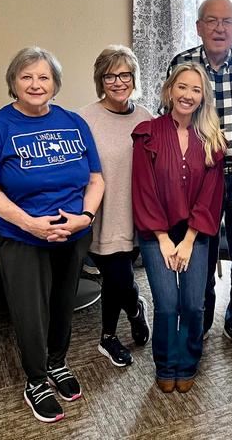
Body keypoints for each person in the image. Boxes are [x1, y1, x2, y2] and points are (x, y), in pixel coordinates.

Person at [0, 47, 105, 423]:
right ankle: (35, 380)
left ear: (55, 84)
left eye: (44, 77)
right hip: (22, 238)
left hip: (72, 234)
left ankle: (57, 363)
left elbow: (96, 179)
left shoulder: (74, 122)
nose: (35, 84)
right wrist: (29, 223)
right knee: (31, 312)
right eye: (26, 77)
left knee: (63, 303)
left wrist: (85, 217)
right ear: (13, 82)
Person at [168, 0, 232, 355]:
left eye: (227, 21)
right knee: (201, 262)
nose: (219, 28)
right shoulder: (182, 65)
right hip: (198, 183)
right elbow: (169, 124)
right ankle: (202, 321)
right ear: (199, 27)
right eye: (212, 20)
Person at [132, 63, 225, 393]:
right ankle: (166, 363)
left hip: (194, 233)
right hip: (155, 232)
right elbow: (144, 190)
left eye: (196, 90)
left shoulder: (211, 140)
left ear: (203, 97)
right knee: (168, 304)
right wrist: (162, 238)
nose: (188, 95)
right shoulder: (148, 133)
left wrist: (187, 240)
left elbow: (210, 195)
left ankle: (187, 362)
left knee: (193, 304)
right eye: (182, 87)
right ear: (170, 90)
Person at [79, 45, 151, 368]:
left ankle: (108, 337)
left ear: (134, 78)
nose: (119, 82)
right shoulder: (84, 119)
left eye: (125, 75)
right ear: (100, 80)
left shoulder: (146, 117)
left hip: (137, 215)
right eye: (110, 75)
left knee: (117, 279)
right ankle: (134, 309)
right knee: (118, 278)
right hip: (101, 216)